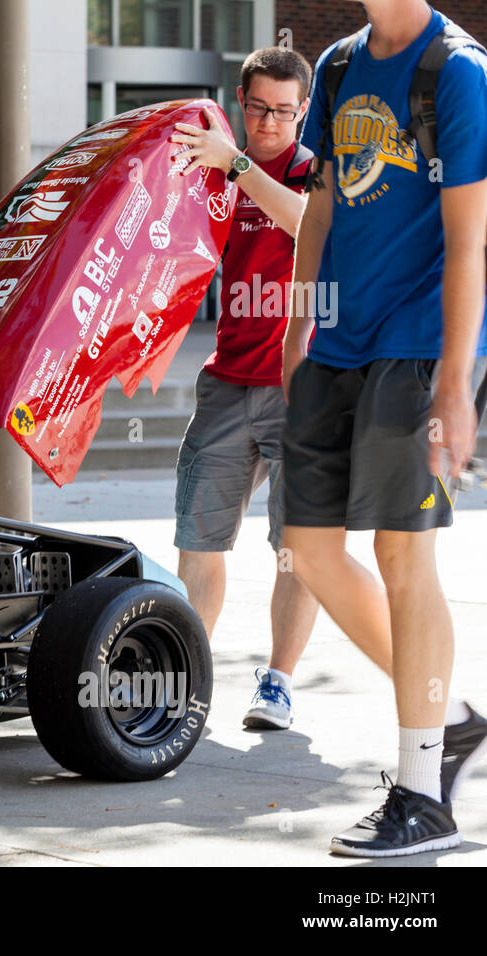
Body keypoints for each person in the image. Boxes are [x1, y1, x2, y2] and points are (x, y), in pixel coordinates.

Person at [284, 0, 487, 856]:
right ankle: (451, 716)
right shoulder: (334, 68)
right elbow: (323, 209)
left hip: (414, 341)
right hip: (337, 340)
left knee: (405, 553)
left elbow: (470, 238)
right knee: (310, 546)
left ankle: (422, 792)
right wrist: (299, 324)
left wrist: (454, 383)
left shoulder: (460, 72)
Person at [167, 48, 321, 730]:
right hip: (227, 384)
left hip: (304, 388)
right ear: (240, 100)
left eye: (283, 111)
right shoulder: (217, 176)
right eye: (257, 108)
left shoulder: (318, 170)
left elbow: (301, 223)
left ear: (303, 110)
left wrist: (234, 162)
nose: (268, 122)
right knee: (198, 544)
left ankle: (278, 683)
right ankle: (186, 682)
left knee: (298, 548)